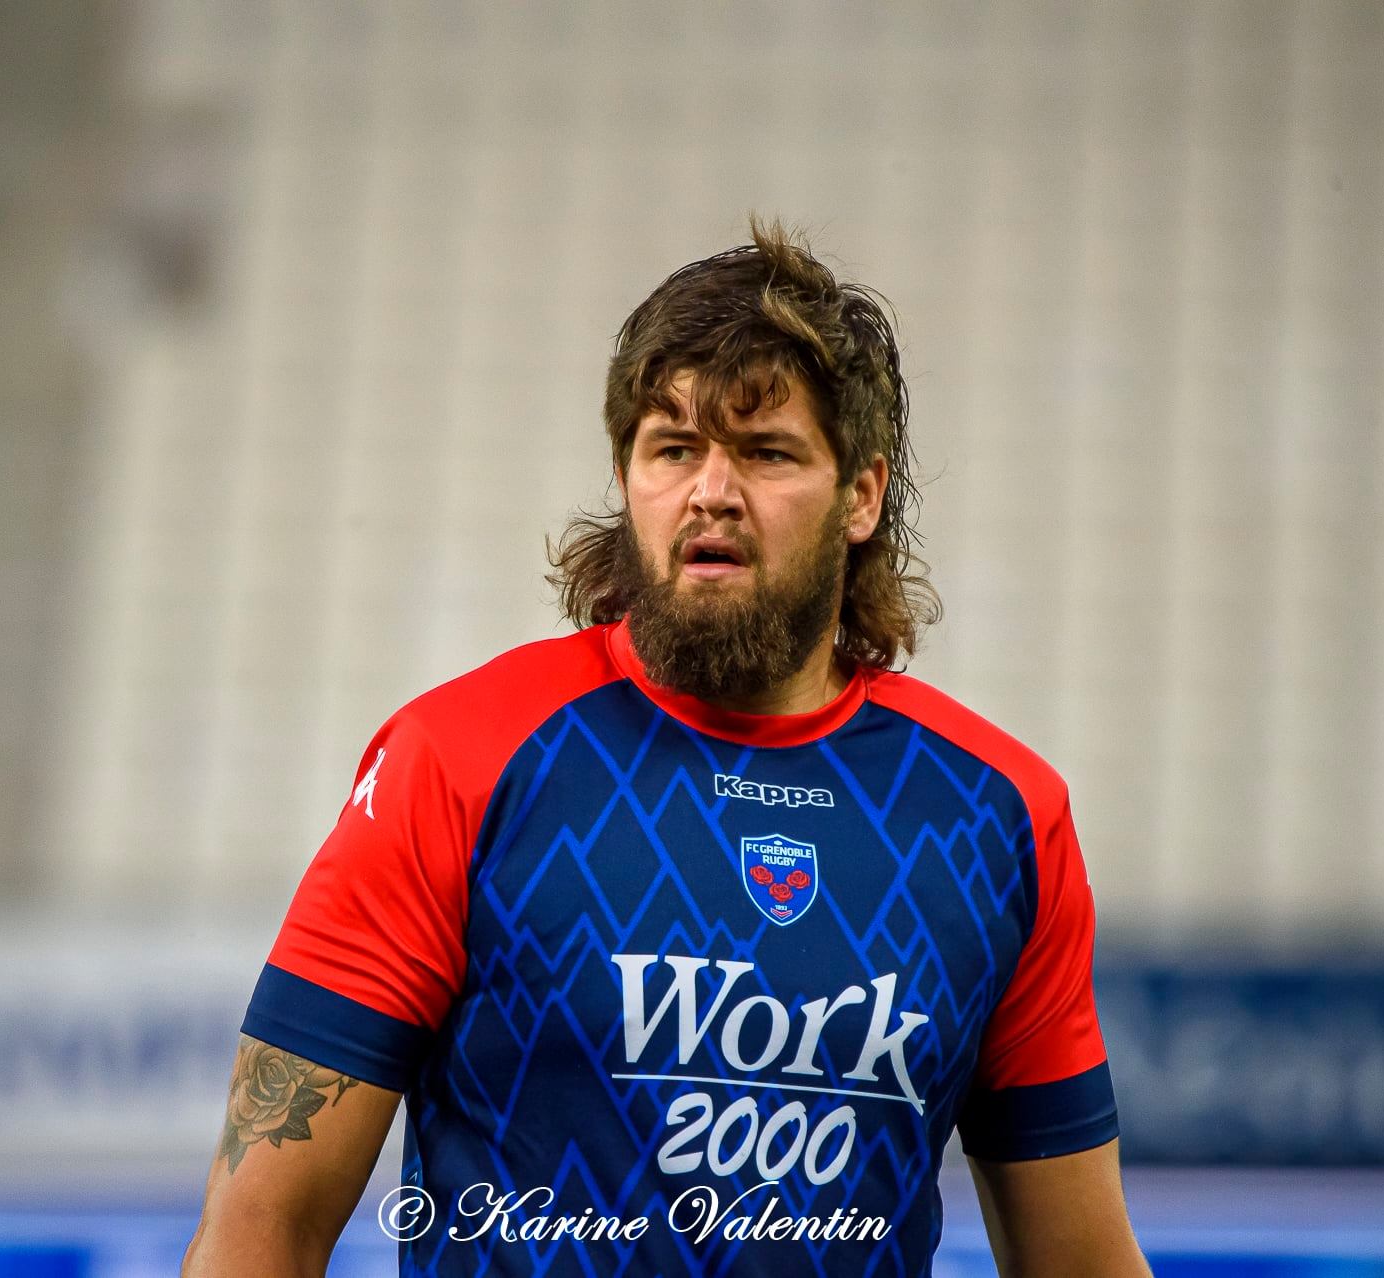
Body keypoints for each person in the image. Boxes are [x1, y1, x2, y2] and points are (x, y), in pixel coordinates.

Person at [184, 222, 1150, 1277]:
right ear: (629, 476)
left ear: (862, 496)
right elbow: (259, 1232)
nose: (711, 491)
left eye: (768, 452)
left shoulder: (998, 815)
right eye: (673, 447)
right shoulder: (459, 758)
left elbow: (1082, 1264)